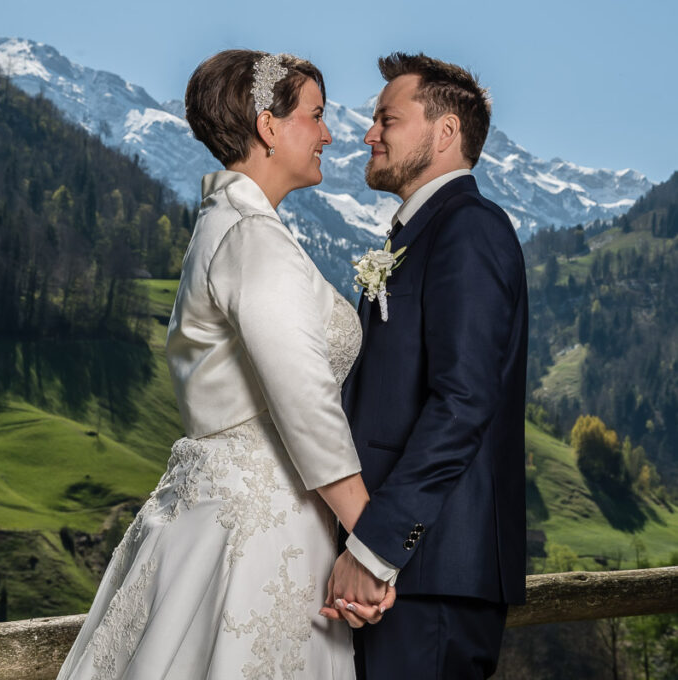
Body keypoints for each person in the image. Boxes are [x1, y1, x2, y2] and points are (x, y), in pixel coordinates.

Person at [56, 49, 393, 680]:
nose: (328, 133)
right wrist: (373, 544)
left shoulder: (228, 223)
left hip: (233, 512)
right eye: (316, 116)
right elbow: (305, 403)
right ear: (269, 126)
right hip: (262, 533)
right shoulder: (251, 238)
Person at [325, 52, 528, 679]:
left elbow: (463, 402)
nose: (368, 134)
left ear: (445, 133)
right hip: (401, 579)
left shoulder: (470, 227)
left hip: (432, 573)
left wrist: (376, 546)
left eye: (387, 118)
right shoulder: (414, 235)